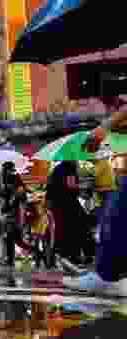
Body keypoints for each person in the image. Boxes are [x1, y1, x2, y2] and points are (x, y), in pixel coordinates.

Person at [62, 111, 127, 295]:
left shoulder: (101, 165)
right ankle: (113, 275)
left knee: (115, 220)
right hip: (103, 194)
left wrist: (105, 126)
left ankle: (109, 276)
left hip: (104, 195)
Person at [46, 161, 94, 267]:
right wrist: (84, 185)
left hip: (56, 204)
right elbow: (71, 185)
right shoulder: (69, 168)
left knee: (65, 230)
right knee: (81, 226)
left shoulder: (57, 169)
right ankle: (82, 256)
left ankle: (67, 257)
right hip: (67, 203)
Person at [0, 161, 39, 267]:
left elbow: (22, 194)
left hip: (11, 215)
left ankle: (10, 260)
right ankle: (34, 252)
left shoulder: (13, 180)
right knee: (13, 240)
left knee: (12, 239)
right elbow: (21, 193)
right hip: (8, 214)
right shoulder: (4, 181)